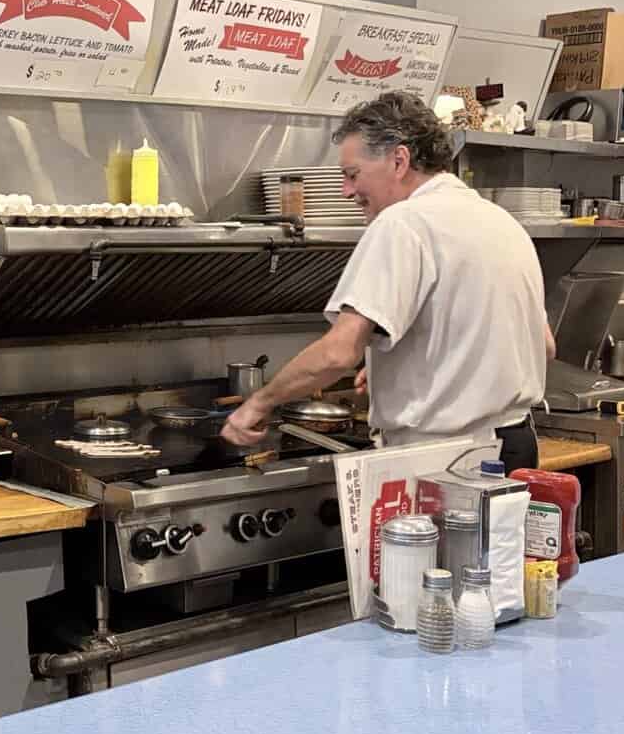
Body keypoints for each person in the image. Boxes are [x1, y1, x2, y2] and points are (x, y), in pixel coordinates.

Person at [223, 90, 552, 471]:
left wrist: (259, 403)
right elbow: (542, 345)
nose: (347, 191)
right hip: (515, 449)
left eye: (352, 175)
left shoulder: (402, 223)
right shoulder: (502, 222)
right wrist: (409, 364)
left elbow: (337, 353)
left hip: (446, 462)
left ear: (399, 160)